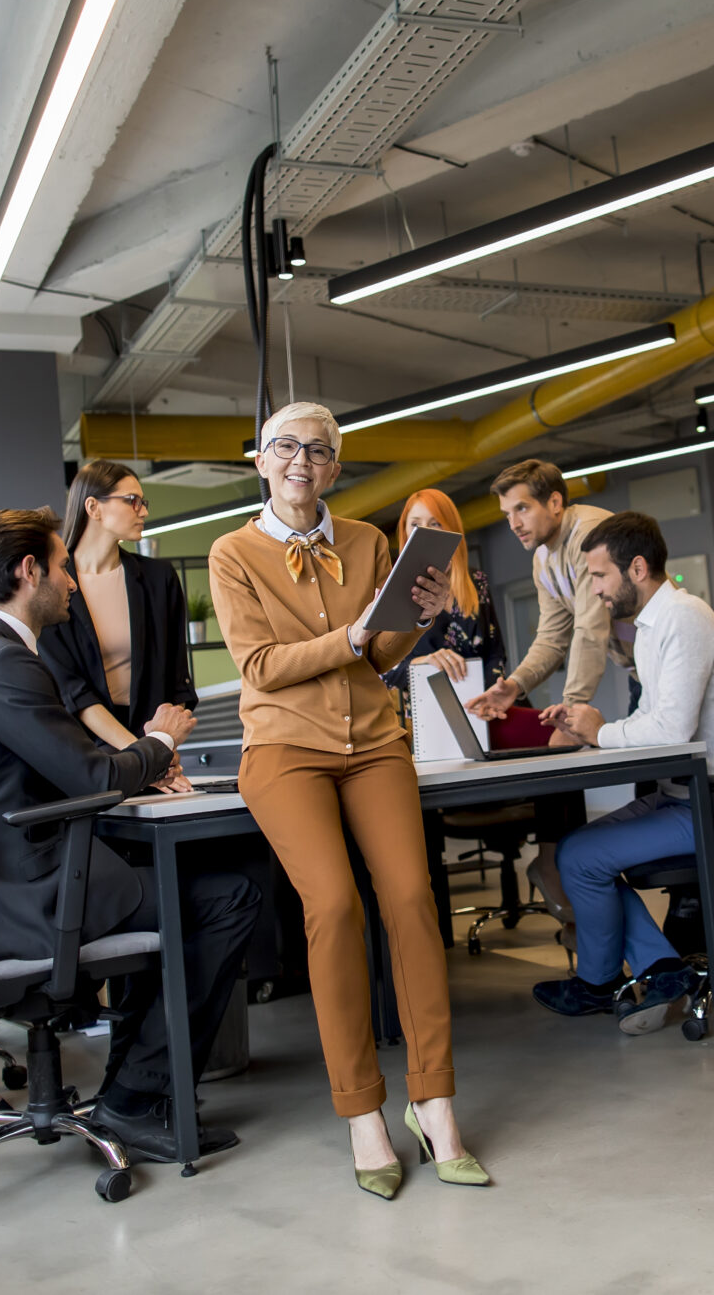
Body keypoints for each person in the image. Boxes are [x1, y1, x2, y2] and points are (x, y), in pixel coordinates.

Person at [0, 507, 259, 1160]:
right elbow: (94, 773)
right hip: (30, 897)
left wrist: (128, 763)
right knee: (228, 896)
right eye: (63, 568)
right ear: (28, 571)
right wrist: (159, 739)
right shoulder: (5, 665)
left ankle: (135, 1090)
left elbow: (64, 762)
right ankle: (134, 1099)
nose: (72, 583)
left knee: (178, 890)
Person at [208, 401, 488, 1199]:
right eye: (286, 447)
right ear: (261, 461)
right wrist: (359, 634)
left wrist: (416, 619)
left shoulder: (369, 541)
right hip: (285, 751)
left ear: (335, 468)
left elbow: (383, 655)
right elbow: (260, 666)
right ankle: (363, 1111)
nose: (303, 459)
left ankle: (433, 1101)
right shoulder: (232, 553)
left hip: (373, 744)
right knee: (333, 906)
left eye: (320, 450)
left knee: (410, 898)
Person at [530, 511, 714, 1035]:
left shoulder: (683, 618)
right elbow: (652, 721)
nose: (592, 589)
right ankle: (660, 970)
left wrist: (601, 733)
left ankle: (603, 984)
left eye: (599, 576)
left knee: (579, 857)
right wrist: (589, 726)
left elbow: (672, 730)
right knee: (577, 851)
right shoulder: (651, 625)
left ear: (636, 567)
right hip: (689, 797)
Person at [461, 459, 634, 926]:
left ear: (555, 502)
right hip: (638, 669)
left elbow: (592, 630)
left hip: (658, 668)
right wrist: (513, 687)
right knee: (656, 793)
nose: (514, 522)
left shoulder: (589, 535)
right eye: (506, 514)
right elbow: (554, 636)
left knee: (667, 792)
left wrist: (574, 711)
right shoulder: (543, 558)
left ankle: (686, 914)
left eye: (522, 508)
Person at [39, 460, 198, 792]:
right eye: (132, 501)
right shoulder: (52, 585)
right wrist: (145, 757)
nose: (142, 511)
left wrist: (162, 750)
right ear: (93, 507)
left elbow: (176, 682)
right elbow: (75, 694)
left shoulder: (159, 579)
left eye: (144, 502)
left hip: (152, 747)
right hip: (87, 758)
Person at [380, 487, 506, 697]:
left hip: (481, 707)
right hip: (426, 711)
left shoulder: (477, 582)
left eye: (435, 523)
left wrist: (490, 693)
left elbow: (496, 653)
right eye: (415, 524)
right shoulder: (392, 590)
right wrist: (423, 663)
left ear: (450, 528)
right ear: (405, 532)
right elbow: (381, 670)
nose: (425, 531)